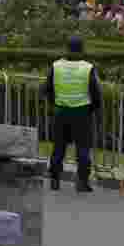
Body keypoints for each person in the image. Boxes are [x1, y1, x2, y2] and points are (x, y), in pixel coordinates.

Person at [46, 35, 102, 193]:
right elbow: (96, 93)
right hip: (82, 113)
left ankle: (55, 180)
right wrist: (93, 109)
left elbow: (47, 89)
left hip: (61, 112)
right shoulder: (88, 68)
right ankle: (82, 182)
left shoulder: (56, 66)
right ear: (82, 49)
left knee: (58, 147)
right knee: (83, 148)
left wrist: (54, 104)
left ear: (67, 48)